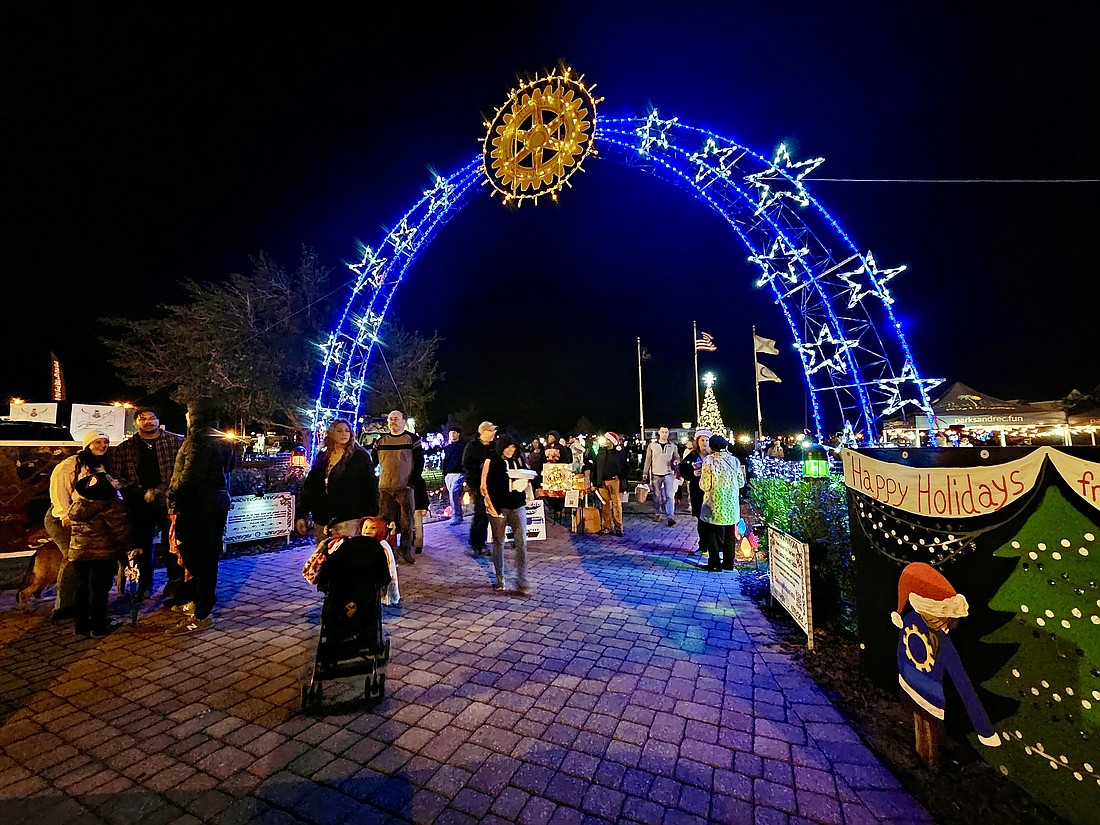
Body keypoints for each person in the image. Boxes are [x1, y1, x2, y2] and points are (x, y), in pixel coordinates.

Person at [165, 398, 237, 635]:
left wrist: (172, 495)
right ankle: (199, 602)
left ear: (195, 416)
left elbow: (190, 476)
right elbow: (230, 468)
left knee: (198, 559)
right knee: (208, 557)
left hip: (197, 507)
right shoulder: (221, 439)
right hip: (217, 504)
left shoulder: (198, 439)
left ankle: (202, 613)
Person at [110, 407, 185, 600]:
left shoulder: (176, 442)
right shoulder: (126, 448)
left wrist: (163, 489)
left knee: (172, 544)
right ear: (136, 423)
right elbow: (118, 475)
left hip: (169, 501)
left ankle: (175, 583)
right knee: (142, 546)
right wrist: (139, 491)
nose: (148, 421)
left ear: (158, 420)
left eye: (152, 417)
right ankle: (144, 585)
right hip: (139, 503)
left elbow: (185, 470)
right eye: (142, 419)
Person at [43, 429, 112, 620]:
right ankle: (64, 607)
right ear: (88, 444)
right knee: (73, 558)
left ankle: (85, 604)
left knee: (86, 560)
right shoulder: (70, 465)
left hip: (86, 517)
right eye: (97, 443)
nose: (102, 446)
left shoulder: (99, 465)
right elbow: (60, 493)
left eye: (105, 443)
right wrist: (65, 516)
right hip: (62, 517)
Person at [69, 469, 131, 637]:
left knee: (81, 588)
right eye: (111, 479)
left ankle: (81, 626)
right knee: (99, 590)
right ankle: (98, 626)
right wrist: (129, 545)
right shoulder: (111, 505)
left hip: (78, 553)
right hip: (102, 554)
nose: (115, 481)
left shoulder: (79, 504)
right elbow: (121, 530)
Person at [296, 417, 379, 543]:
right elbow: (310, 487)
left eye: (347, 431)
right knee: (324, 559)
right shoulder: (323, 457)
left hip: (350, 518)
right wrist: (302, 514)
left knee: (346, 558)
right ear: (332, 433)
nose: (344, 434)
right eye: (339, 431)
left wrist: (371, 515)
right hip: (323, 518)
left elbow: (370, 487)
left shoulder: (360, 457)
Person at [481, 434, 529, 594]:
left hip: (518, 506)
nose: (511, 450)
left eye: (513, 448)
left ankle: (522, 580)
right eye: (508, 447)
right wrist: (494, 509)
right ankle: (500, 579)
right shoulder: (492, 461)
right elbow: (485, 486)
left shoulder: (520, 460)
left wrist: (525, 484)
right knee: (499, 543)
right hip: (499, 508)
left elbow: (529, 477)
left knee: (521, 543)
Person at [374, 410, 421, 565]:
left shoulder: (412, 439)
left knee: (407, 521)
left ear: (403, 421)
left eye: (396, 419)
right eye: (391, 419)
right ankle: (388, 551)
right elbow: (373, 462)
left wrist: (411, 482)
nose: (393, 421)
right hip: (385, 487)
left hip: (404, 487)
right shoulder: (380, 441)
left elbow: (419, 462)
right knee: (386, 522)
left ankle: (405, 550)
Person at [698, 434, 746, 571]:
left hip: (714, 503)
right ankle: (729, 564)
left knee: (710, 531)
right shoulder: (735, 461)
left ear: (712, 447)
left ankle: (714, 563)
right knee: (730, 532)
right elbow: (741, 482)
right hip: (731, 503)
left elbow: (705, 485)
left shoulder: (709, 461)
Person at [462, 421, 496, 555]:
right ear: (483, 432)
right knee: (480, 513)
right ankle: (477, 542)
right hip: (478, 483)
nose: (493, 434)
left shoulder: (494, 446)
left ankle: (485, 540)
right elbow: (466, 464)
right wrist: (480, 469)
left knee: (488, 513)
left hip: (493, 483)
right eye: (491, 431)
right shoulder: (472, 446)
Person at [679, 428, 712, 557]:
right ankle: (703, 545)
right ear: (697, 441)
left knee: (713, 520)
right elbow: (683, 470)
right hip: (698, 491)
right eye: (702, 440)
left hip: (712, 492)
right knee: (701, 519)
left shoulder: (713, 456)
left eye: (707, 440)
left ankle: (715, 546)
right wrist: (692, 473)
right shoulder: (692, 456)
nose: (704, 442)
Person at [643, 426, 681, 527]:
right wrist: (645, 472)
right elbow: (648, 459)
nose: (665, 434)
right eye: (663, 432)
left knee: (669, 495)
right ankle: (657, 513)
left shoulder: (672, 446)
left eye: (666, 432)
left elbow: (677, 457)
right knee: (657, 496)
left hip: (668, 473)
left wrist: (676, 461)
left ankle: (670, 516)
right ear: (659, 433)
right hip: (656, 473)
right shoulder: (652, 445)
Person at [594, 432, 628, 537]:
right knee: (605, 505)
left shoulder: (620, 453)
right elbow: (595, 466)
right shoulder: (601, 452)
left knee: (617, 505)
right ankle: (607, 526)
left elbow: (625, 467)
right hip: (603, 482)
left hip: (614, 481)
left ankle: (619, 527)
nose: (606, 442)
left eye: (608, 440)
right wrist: (595, 481)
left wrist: (621, 476)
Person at [441, 427, 466, 525]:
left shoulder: (463, 446)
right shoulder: (448, 448)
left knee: (454, 494)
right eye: (451, 433)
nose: (452, 435)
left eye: (454, 433)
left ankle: (457, 516)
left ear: (458, 434)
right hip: (449, 474)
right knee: (452, 495)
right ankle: (456, 515)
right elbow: (445, 460)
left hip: (459, 472)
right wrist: (445, 473)